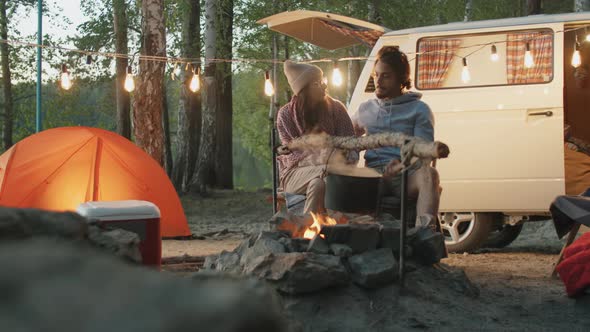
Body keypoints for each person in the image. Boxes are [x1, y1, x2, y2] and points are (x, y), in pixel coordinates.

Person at [351, 46, 440, 229]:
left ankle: (424, 234)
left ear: (401, 79)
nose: (378, 81)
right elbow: (345, 139)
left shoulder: (419, 109)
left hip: (407, 175)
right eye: (376, 75)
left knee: (430, 175)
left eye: (386, 76)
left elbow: (424, 154)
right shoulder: (366, 109)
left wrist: (402, 163)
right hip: (373, 175)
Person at [276, 60, 355, 215]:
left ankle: (307, 228)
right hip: (295, 174)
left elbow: (351, 144)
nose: (324, 85)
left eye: (322, 80)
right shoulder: (285, 115)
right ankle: (340, 224)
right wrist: (328, 156)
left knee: (319, 184)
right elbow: (293, 155)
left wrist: (347, 156)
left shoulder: (337, 108)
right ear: (303, 90)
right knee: (330, 171)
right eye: (317, 83)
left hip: (331, 171)